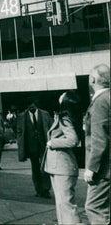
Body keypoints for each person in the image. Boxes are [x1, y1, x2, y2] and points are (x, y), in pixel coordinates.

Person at [43, 91, 82, 225]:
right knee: (61, 203)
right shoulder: (65, 117)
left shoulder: (64, 118)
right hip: (58, 166)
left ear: (66, 101)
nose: (60, 96)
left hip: (63, 167)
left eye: (63, 95)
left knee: (66, 204)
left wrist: (52, 143)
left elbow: (73, 140)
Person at [84, 64, 110, 224]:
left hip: (103, 168)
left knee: (93, 207)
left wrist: (92, 168)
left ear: (93, 79)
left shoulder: (100, 102)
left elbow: (99, 139)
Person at [17, 100, 53, 198]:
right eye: (29, 106)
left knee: (45, 168)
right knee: (35, 168)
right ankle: (38, 189)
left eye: (32, 106)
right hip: (31, 147)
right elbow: (19, 131)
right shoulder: (22, 116)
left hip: (44, 145)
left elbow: (52, 127)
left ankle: (46, 189)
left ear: (36, 105)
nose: (31, 108)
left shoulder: (45, 114)